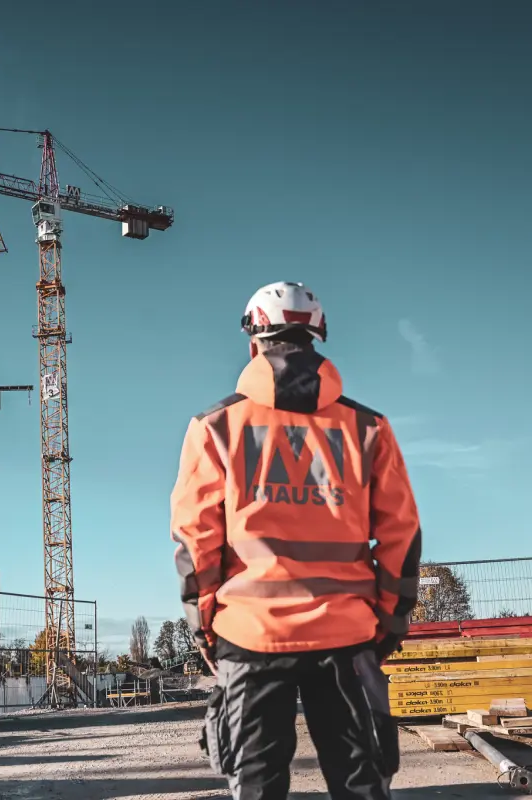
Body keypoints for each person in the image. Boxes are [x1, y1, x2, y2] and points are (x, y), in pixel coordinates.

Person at [170, 281, 421, 800]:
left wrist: (204, 627)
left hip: (250, 633)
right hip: (347, 635)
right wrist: (391, 622)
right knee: (361, 784)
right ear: (316, 340)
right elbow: (401, 533)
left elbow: (197, 540)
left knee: (257, 785)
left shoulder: (215, 426)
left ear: (253, 343)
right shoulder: (368, 428)